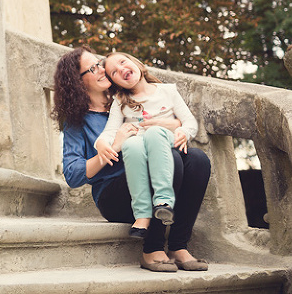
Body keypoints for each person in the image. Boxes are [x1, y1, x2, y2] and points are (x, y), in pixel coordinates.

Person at [54, 46, 211, 272]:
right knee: (172, 162)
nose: (101, 70)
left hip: (154, 175)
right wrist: (109, 149)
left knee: (197, 159)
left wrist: (175, 125)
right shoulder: (77, 121)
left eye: (99, 64)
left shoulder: (126, 98)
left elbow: (168, 120)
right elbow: (73, 174)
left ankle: (178, 246)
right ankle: (152, 249)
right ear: (78, 83)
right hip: (115, 194)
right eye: (92, 68)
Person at [96, 52, 199, 240]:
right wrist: (102, 143)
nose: (121, 69)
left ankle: (163, 201)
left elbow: (190, 122)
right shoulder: (120, 101)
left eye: (123, 62)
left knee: (153, 133)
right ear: (116, 82)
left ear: (137, 63)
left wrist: (184, 133)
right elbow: (110, 132)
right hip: (141, 148)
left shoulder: (167, 91)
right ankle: (142, 214)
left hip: (165, 141)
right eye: (114, 72)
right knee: (132, 144)